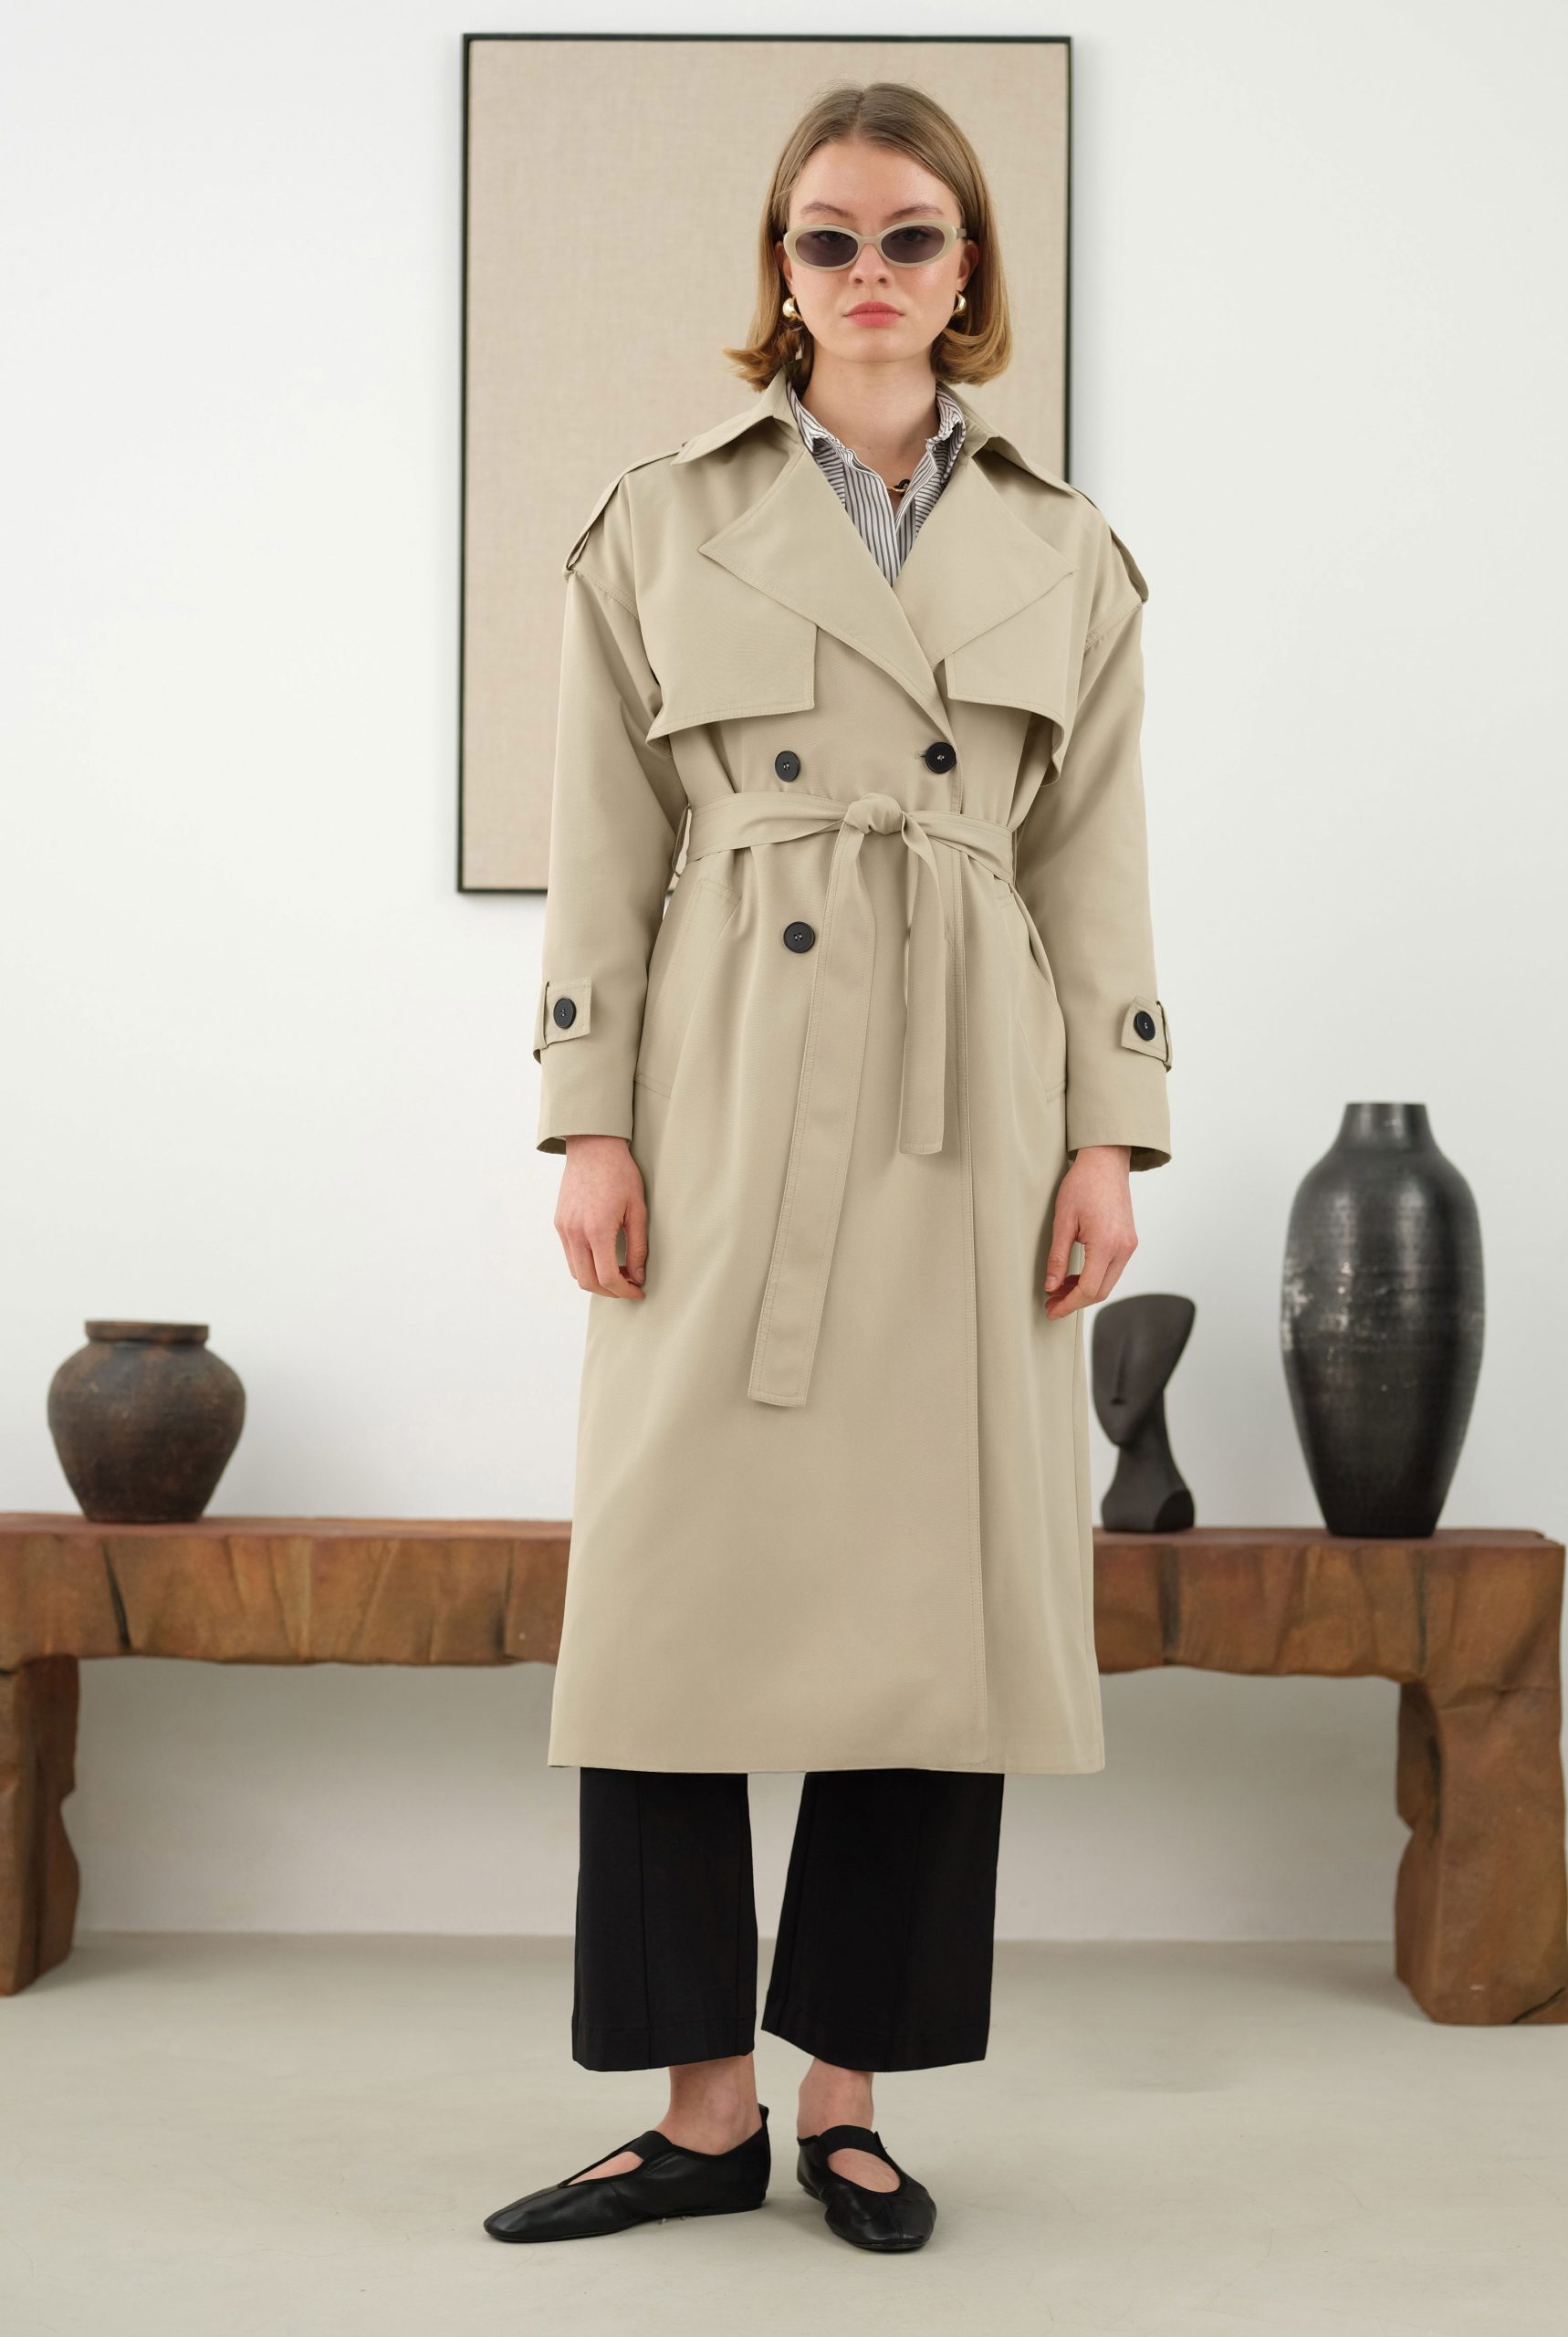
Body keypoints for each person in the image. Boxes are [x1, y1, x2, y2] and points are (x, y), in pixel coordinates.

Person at [485, 79, 1172, 2255]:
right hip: (720, 1074)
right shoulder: (658, 517)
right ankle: (697, 2108)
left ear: (968, 267)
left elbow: (1092, 859)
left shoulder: (1067, 547)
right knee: (665, 1586)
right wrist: (588, 1113)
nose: (866, 273)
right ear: (776, 271)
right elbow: (603, 844)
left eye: (907, 236)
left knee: (925, 1597)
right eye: (825, 238)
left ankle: (846, 2097)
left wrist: (1108, 1129)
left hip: (969, 1097)